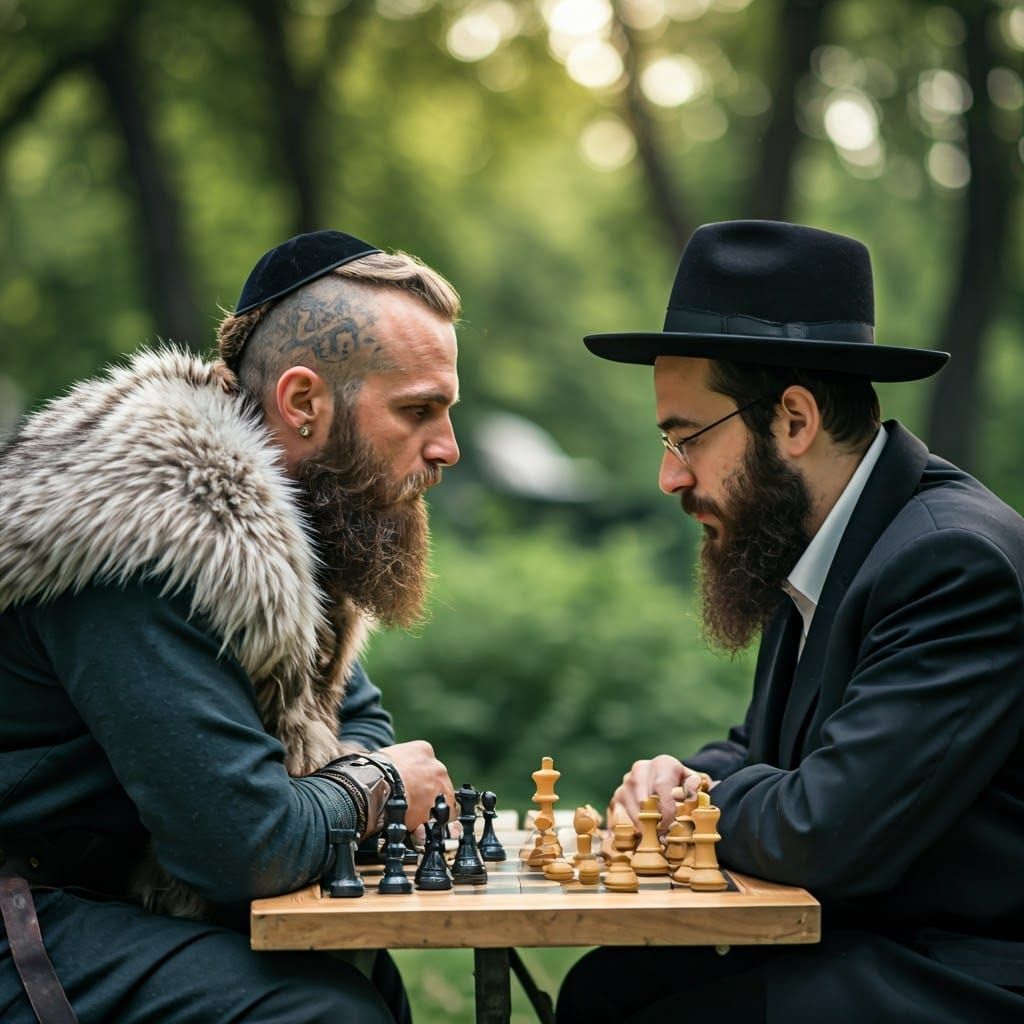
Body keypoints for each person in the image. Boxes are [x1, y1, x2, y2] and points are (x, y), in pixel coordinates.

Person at [557, 220, 1024, 1023]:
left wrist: (694, 803)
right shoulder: (821, 536)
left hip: (961, 972)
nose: (670, 475)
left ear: (795, 421)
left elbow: (822, 831)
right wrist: (681, 775)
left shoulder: (951, 564)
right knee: (604, 988)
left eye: (686, 437)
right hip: (869, 942)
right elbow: (768, 756)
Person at [0, 229, 463, 1023]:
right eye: (417, 411)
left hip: (98, 895)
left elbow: (354, 716)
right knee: (325, 1014)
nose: (447, 447)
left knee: (366, 979)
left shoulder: (286, 521)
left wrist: (345, 783)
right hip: (24, 914)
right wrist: (379, 787)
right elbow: (245, 847)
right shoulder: (152, 535)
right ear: (303, 402)